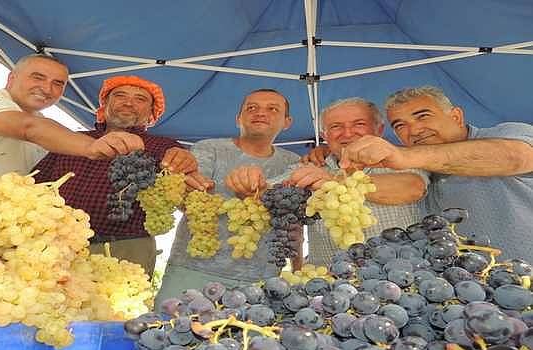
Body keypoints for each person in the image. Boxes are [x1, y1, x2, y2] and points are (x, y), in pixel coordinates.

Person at [337, 86, 533, 262]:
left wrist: (404, 155)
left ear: (456, 116)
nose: (414, 130)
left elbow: (515, 157)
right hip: (468, 291)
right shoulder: (419, 167)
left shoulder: (508, 133)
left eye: (423, 116)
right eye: (400, 125)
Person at [32, 75, 198, 278]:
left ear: (151, 115)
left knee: (117, 308)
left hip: (125, 250)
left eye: (140, 99)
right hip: (57, 245)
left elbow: (186, 194)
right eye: (120, 95)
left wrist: (185, 162)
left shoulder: (165, 147)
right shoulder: (73, 140)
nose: (128, 102)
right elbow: (34, 185)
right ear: (105, 105)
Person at [154, 89, 300, 309]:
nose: (260, 113)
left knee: (246, 342)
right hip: (193, 271)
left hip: (261, 279)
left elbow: (294, 224)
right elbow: (187, 201)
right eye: (252, 108)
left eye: (272, 109)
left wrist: (299, 269)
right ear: (238, 118)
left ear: (287, 122)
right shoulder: (208, 149)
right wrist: (188, 187)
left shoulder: (294, 164)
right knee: (170, 334)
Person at [0, 54, 143, 177]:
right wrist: (91, 146)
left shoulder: (46, 136)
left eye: (58, 83)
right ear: (12, 78)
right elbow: (28, 128)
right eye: (37, 77)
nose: (47, 89)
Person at [289, 98, 428, 266]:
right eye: (336, 126)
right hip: (328, 282)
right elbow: (271, 192)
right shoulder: (311, 165)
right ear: (324, 135)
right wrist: (253, 181)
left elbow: (412, 187)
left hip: (397, 280)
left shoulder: (402, 158)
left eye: (359, 124)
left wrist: (335, 182)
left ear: (379, 130)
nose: (347, 133)